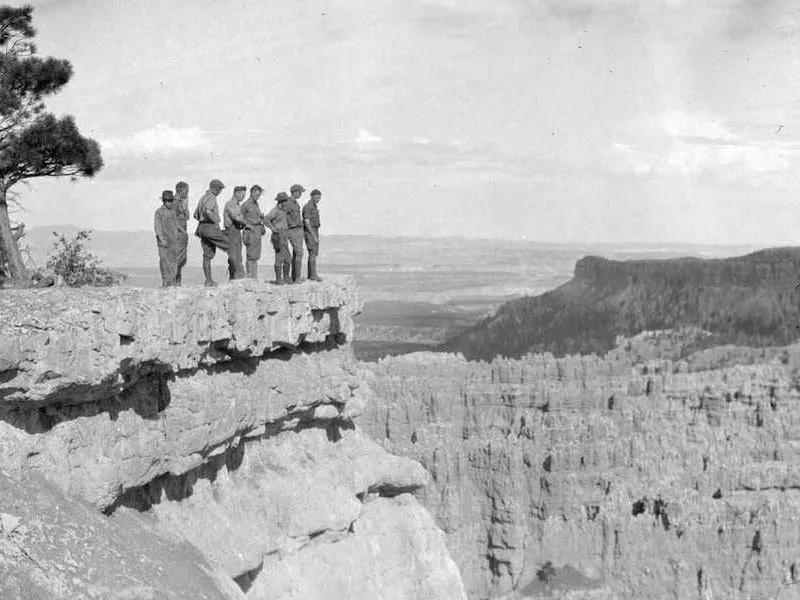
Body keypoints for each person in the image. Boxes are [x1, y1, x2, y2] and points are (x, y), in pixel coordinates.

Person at [193, 179, 230, 287]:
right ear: (215, 188)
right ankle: (237, 275)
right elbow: (208, 211)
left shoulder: (202, 198)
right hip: (210, 227)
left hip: (201, 228)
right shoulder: (211, 198)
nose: (220, 192)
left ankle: (208, 281)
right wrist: (216, 220)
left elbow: (196, 215)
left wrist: (203, 219)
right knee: (230, 246)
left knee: (207, 255)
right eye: (219, 189)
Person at [264, 191, 291, 285]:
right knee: (279, 257)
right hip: (278, 236)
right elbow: (266, 219)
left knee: (288, 258)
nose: (286, 202)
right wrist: (273, 229)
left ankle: (286, 277)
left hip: (284, 235)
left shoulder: (284, 210)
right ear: (281, 201)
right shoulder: (275, 210)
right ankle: (279, 279)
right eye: (285, 201)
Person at [223, 185, 249, 281]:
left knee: (238, 255)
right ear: (236, 193)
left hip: (236, 231)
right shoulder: (230, 204)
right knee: (234, 255)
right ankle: (236, 276)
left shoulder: (237, 205)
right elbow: (237, 217)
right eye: (242, 195)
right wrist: (247, 224)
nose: (243, 197)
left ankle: (237, 276)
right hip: (231, 231)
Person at [154, 190, 179, 287]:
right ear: (164, 201)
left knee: (173, 260)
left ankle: (172, 280)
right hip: (163, 240)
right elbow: (157, 226)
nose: (170, 203)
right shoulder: (159, 212)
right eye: (168, 201)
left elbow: (176, 224)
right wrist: (161, 237)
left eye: (171, 201)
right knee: (164, 260)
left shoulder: (173, 212)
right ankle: (165, 280)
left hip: (173, 239)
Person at [241, 184, 266, 279]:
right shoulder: (246, 205)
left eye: (259, 195)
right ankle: (250, 277)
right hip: (250, 232)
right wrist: (247, 226)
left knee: (255, 256)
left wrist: (261, 219)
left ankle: (254, 277)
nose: (258, 197)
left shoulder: (256, 204)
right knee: (251, 256)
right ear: (251, 193)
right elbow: (240, 218)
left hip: (257, 231)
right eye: (256, 194)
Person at [285, 183, 305, 283]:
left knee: (296, 253)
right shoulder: (288, 203)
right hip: (292, 230)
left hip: (298, 230)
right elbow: (284, 216)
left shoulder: (296, 203)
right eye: (300, 192)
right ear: (295, 192)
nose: (301, 194)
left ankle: (295, 277)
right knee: (299, 252)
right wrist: (290, 225)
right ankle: (297, 278)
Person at [303, 188, 323, 281]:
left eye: (319, 198)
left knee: (313, 253)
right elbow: (306, 222)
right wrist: (313, 235)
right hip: (310, 231)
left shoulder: (314, 206)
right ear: (312, 197)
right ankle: (313, 275)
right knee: (312, 253)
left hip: (314, 230)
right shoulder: (308, 206)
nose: (318, 199)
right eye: (316, 197)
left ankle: (311, 274)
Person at [173, 181, 190, 286]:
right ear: (180, 190)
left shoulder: (182, 202)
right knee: (177, 258)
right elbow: (173, 219)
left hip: (182, 233)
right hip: (177, 233)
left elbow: (187, 217)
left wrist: (186, 204)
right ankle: (174, 281)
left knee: (182, 259)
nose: (187, 193)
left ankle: (178, 282)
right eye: (186, 191)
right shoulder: (175, 203)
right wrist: (181, 230)